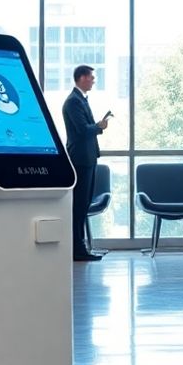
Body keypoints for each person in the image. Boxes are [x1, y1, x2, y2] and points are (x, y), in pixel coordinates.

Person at [62, 65, 107, 262]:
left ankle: (80, 247)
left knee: (84, 203)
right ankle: (77, 249)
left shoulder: (80, 99)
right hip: (80, 159)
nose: (93, 81)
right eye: (91, 77)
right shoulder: (73, 102)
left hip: (87, 158)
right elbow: (81, 130)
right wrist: (99, 126)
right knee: (79, 205)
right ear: (81, 78)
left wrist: (97, 127)